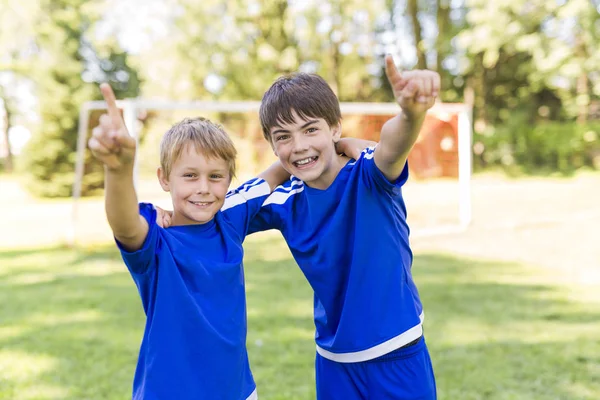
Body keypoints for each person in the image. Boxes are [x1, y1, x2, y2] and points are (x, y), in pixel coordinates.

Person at [89, 84, 369, 400]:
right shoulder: (157, 242)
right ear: (165, 178)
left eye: (216, 176)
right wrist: (118, 169)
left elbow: (276, 173)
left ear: (229, 180)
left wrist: (338, 143)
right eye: (190, 176)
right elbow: (125, 225)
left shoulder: (230, 221)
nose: (204, 188)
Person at [246, 55, 440, 399]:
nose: (300, 145)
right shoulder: (284, 202)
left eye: (310, 129)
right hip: (334, 362)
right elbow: (225, 208)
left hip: (396, 352)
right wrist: (278, 170)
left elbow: (393, 147)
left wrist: (411, 113)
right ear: (272, 146)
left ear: (335, 128)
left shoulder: (367, 175)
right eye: (283, 137)